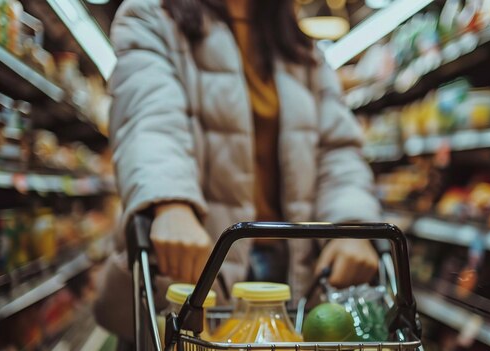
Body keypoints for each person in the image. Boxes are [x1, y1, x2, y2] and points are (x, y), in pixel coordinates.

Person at [94, 0, 382, 344]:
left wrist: (352, 227)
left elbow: (337, 149)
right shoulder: (153, 15)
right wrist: (171, 202)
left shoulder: (300, 46)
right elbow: (149, 116)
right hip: (194, 274)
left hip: (291, 277)